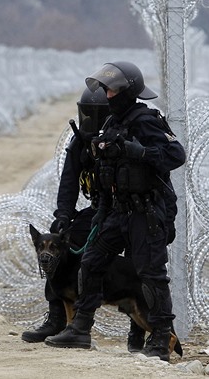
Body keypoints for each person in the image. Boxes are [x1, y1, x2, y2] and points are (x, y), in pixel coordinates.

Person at [44, 61, 186, 362]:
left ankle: (160, 337)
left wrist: (141, 152)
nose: (106, 95)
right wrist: (99, 216)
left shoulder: (146, 120)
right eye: (105, 90)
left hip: (145, 214)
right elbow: (104, 175)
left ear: (127, 91)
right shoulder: (111, 125)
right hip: (116, 213)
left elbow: (176, 154)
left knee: (150, 275)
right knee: (91, 262)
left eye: (111, 90)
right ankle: (80, 328)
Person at [21, 86, 110, 343]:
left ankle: (137, 331)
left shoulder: (122, 135)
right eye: (87, 113)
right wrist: (63, 216)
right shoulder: (80, 141)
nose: (91, 119)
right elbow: (69, 183)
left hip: (124, 208)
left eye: (97, 113)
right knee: (57, 238)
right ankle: (57, 317)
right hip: (97, 208)